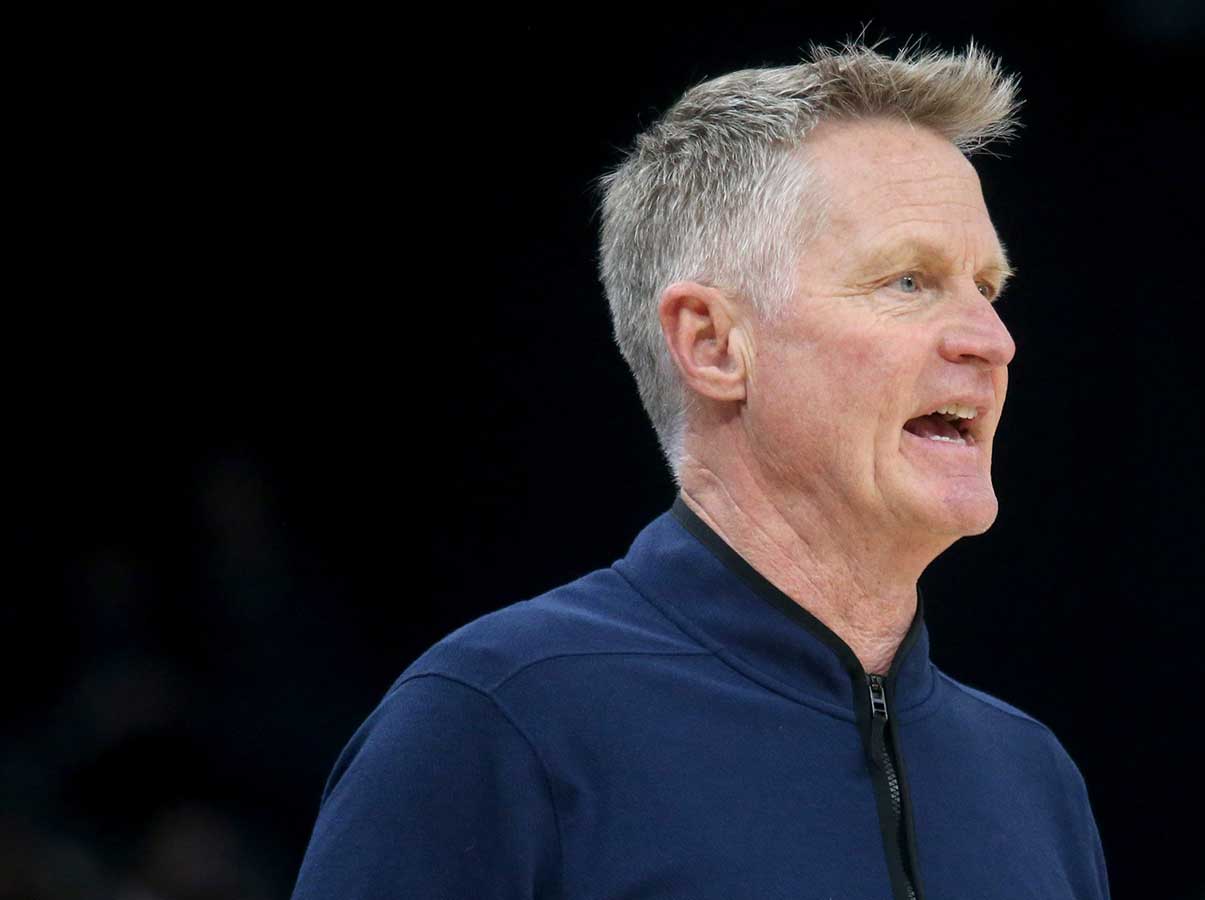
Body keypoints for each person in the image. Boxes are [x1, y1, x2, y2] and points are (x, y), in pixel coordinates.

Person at [292, 39, 1111, 900]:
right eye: (909, 281)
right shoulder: (498, 723)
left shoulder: (1032, 782)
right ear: (713, 345)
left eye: (989, 287)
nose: (991, 340)